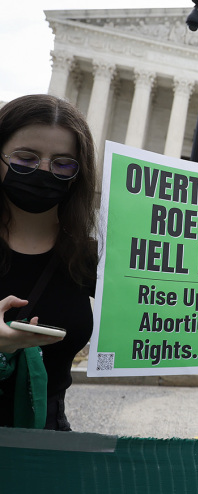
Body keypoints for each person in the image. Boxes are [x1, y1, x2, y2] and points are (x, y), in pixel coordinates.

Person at [0, 94, 97, 430]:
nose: (43, 171)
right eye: (25, 159)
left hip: (47, 443)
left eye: (63, 163)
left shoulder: (90, 255)